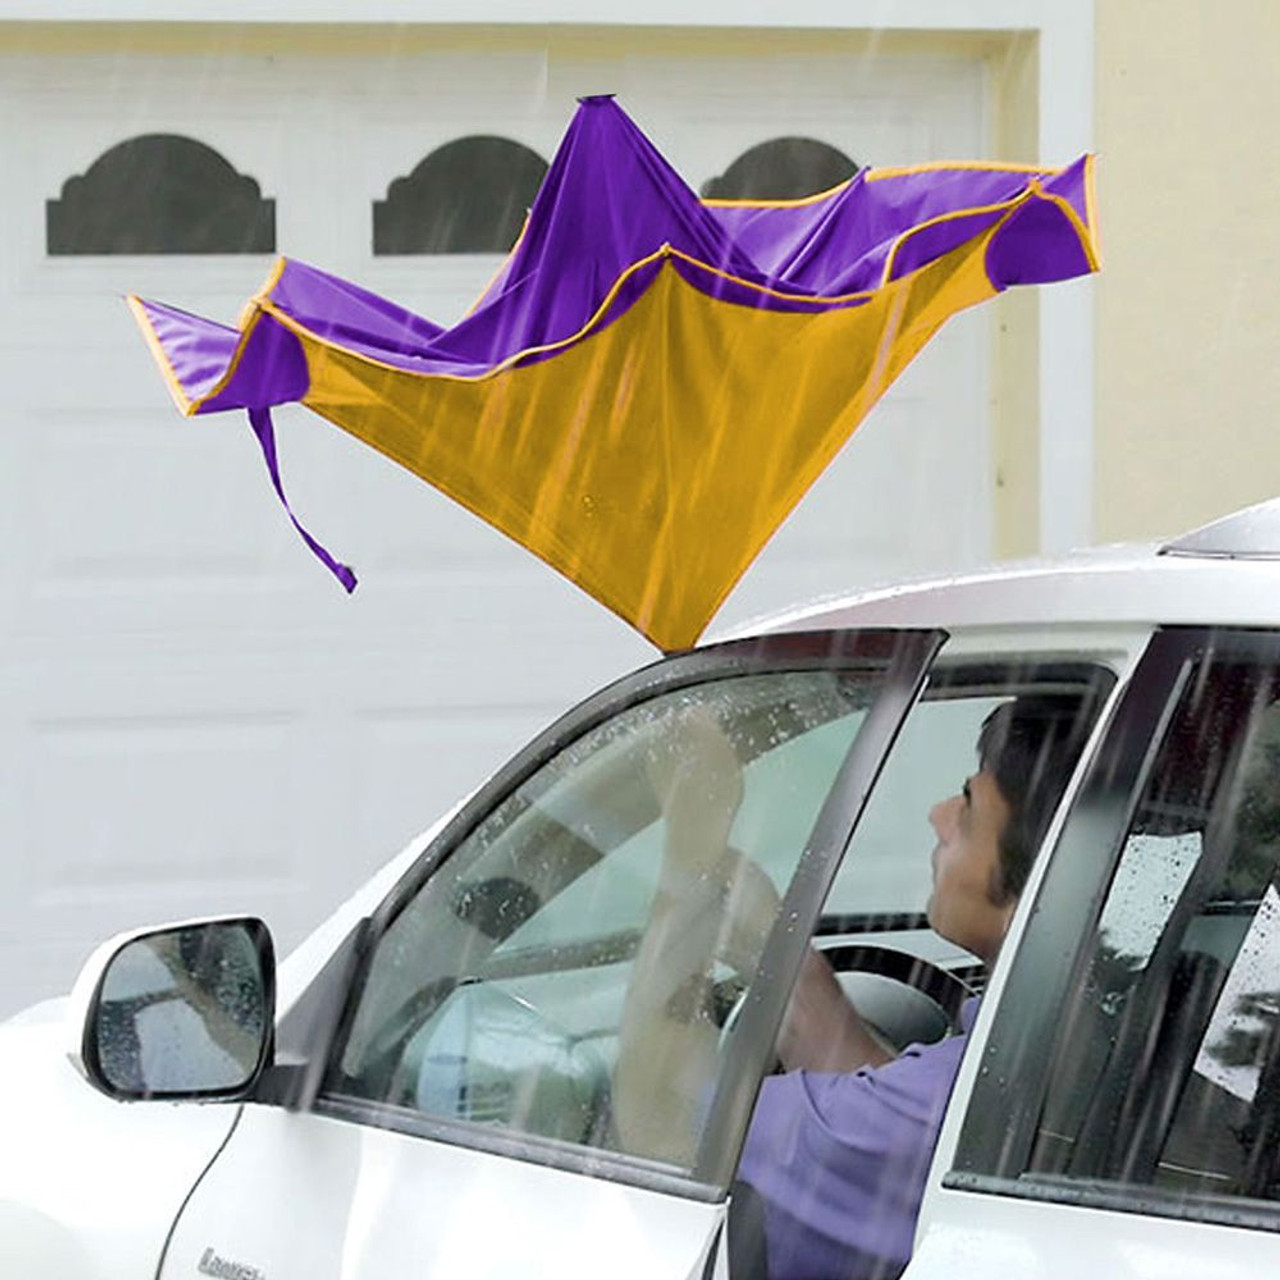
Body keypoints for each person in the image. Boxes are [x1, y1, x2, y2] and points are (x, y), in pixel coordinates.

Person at [613, 693, 1090, 1277]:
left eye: (967, 807)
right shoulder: (1083, 1039)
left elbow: (658, 1119)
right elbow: (883, 1119)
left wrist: (686, 854)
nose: (938, 815)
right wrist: (771, 943)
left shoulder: (951, 1113)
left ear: (1039, 881)